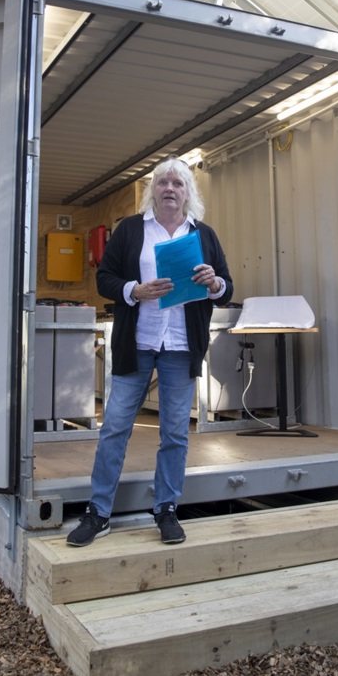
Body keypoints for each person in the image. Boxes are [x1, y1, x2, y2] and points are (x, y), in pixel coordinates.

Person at [67, 157, 233, 547]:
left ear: (188, 192)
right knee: (114, 428)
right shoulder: (130, 230)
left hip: (180, 347)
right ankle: (98, 512)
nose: (170, 189)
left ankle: (167, 509)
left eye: (178, 183)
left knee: (175, 433)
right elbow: (105, 278)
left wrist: (215, 284)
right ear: (152, 190)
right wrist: (134, 290)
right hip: (137, 344)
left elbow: (227, 286)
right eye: (163, 182)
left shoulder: (204, 235)